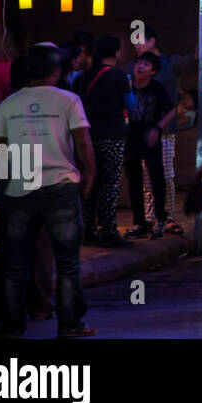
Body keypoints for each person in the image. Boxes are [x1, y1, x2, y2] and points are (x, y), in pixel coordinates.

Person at [0, 45, 97, 338]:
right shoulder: (69, 100)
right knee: (67, 262)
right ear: (56, 71)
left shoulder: (10, 104)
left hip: (19, 190)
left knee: (14, 264)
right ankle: (70, 324)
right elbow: (83, 141)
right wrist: (89, 174)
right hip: (60, 187)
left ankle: (12, 328)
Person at [74, 36, 132, 248]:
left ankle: (88, 229)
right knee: (110, 182)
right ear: (116, 52)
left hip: (88, 135)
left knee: (91, 181)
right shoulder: (119, 76)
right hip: (113, 135)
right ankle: (108, 229)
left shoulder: (83, 77)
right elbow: (131, 105)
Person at [124, 52, 176, 239]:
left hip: (150, 139)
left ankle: (160, 219)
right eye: (139, 62)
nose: (140, 66)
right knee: (134, 181)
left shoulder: (157, 89)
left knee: (156, 178)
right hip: (131, 138)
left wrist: (157, 128)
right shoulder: (128, 86)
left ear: (153, 71)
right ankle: (140, 222)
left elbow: (171, 110)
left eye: (146, 64)